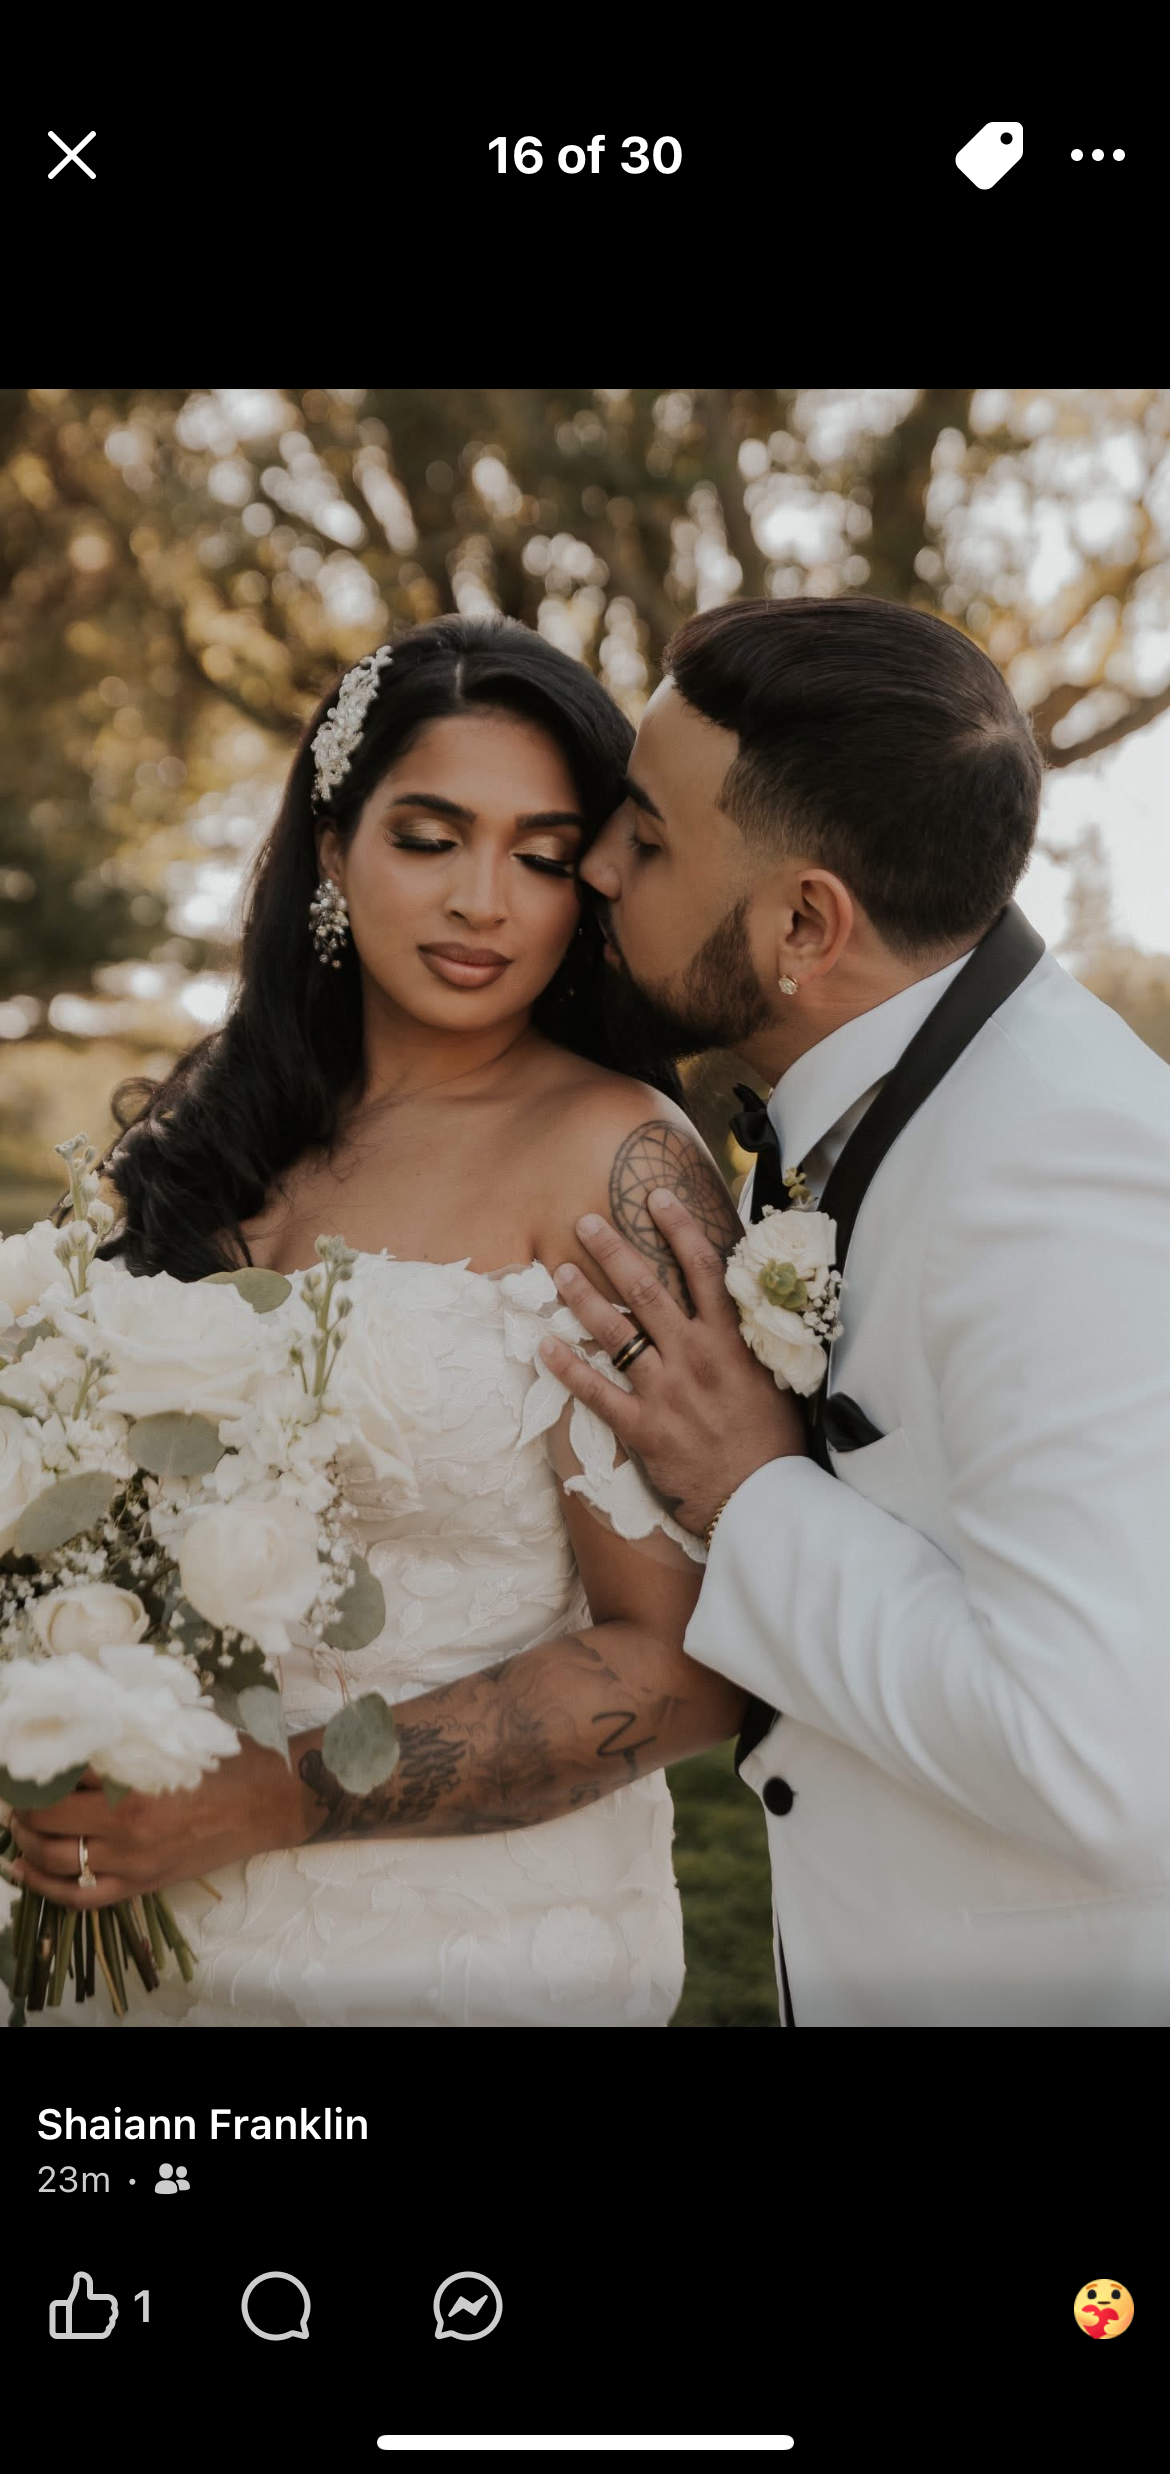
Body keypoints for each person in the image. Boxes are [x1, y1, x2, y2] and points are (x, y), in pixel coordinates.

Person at [3, 613, 764, 2029]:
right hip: (124, 1925)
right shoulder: (220, 1125)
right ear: (333, 845)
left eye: (540, 855)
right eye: (429, 836)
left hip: (453, 1953)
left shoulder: (616, 1159)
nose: (484, 899)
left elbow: (695, 1653)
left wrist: (272, 1802)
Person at [539, 592, 1170, 2027]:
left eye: (643, 839)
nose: (591, 866)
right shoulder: (935, 1087)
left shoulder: (1067, 1174)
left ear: (804, 926)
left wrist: (750, 1493)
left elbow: (1092, 1760)